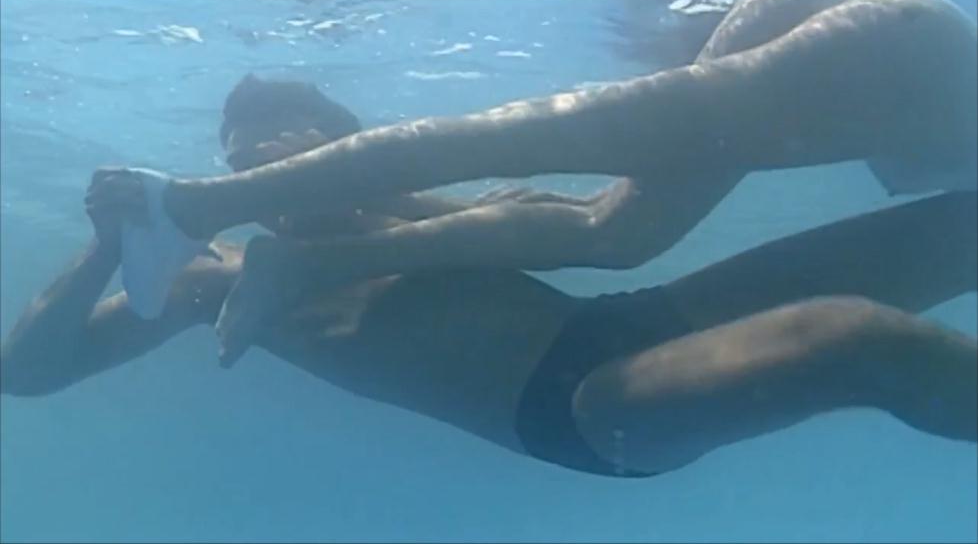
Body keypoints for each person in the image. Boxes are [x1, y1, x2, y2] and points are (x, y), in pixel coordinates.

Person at [2, 76, 975, 478]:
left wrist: (379, 203)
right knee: (856, 336)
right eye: (238, 142)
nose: (256, 149)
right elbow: (28, 370)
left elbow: (581, 231)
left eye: (289, 132)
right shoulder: (210, 280)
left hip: (632, 320)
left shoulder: (430, 206)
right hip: (584, 407)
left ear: (347, 146)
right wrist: (106, 247)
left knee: (953, 226)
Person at [97, 0, 977, 357]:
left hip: (877, 39)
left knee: (615, 230)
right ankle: (190, 203)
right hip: (896, 51)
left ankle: (289, 256)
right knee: (520, 144)